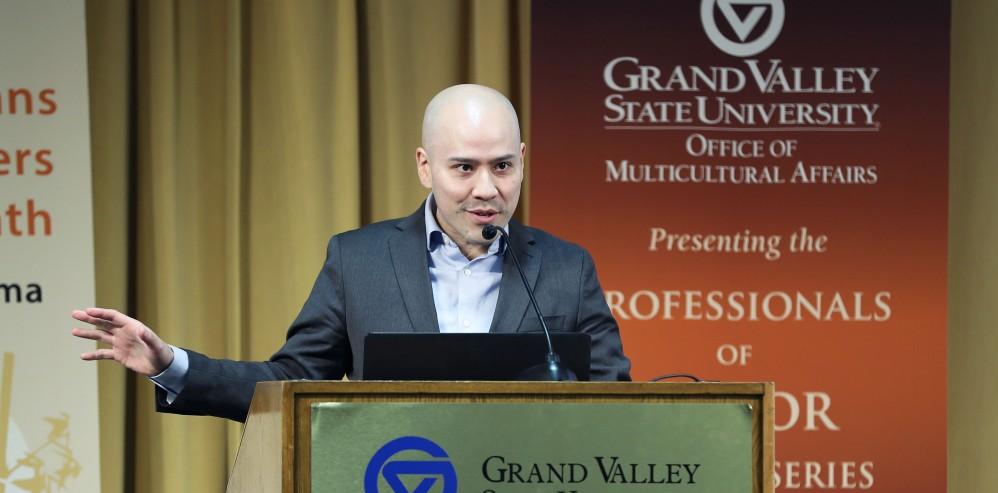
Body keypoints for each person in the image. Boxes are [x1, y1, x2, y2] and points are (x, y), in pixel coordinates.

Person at [71, 84, 630, 421]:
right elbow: (290, 382)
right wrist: (173, 365)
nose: (487, 188)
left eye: (503, 166)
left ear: (523, 160)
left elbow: (618, 408)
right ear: (424, 165)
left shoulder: (565, 267)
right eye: (464, 167)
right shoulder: (358, 261)